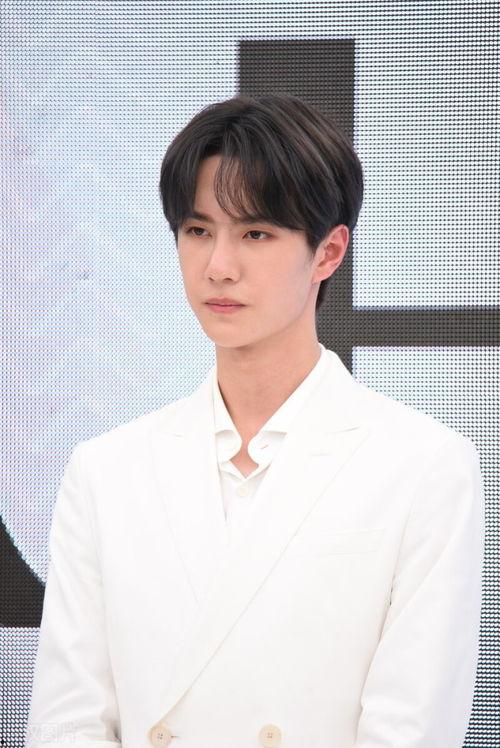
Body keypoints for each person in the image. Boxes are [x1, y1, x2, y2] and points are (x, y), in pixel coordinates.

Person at [26, 94, 485, 748]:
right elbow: (66, 721)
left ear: (328, 252)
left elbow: (412, 728)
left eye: (256, 234)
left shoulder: (424, 467)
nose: (218, 266)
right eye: (198, 231)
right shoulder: (105, 472)